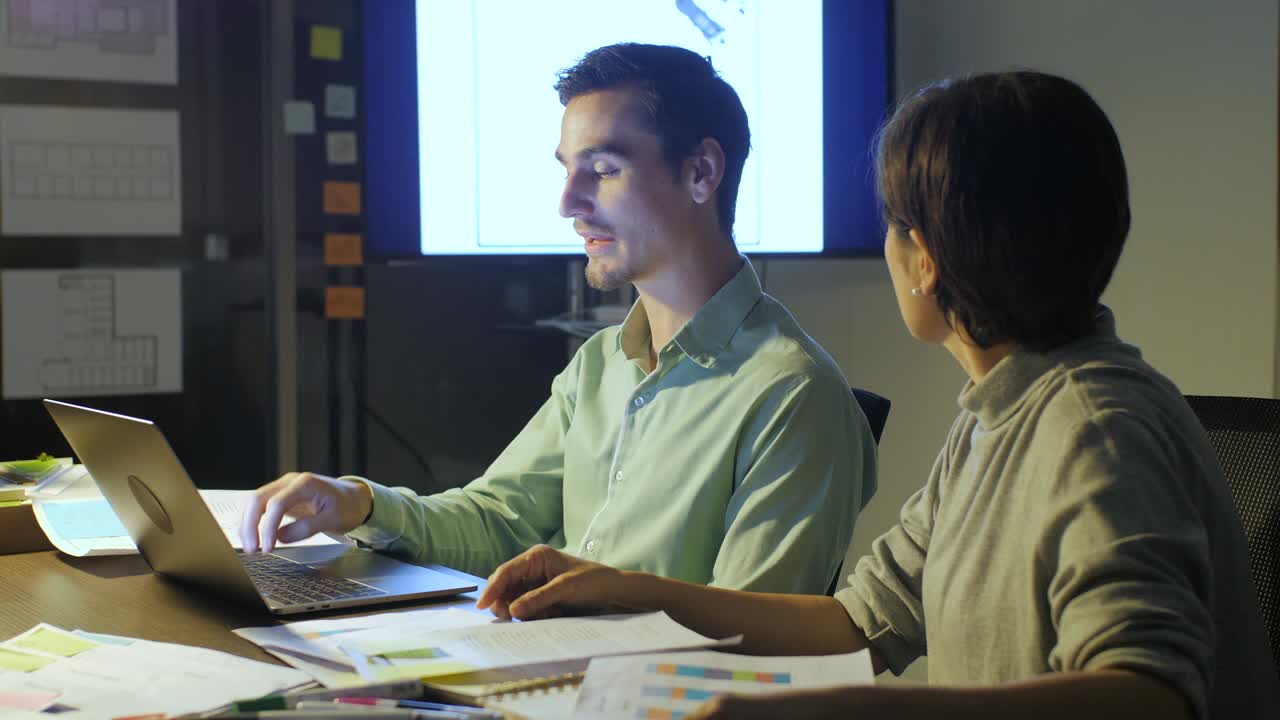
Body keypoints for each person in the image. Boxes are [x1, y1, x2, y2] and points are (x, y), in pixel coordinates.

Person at [476, 71, 1279, 719]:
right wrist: (631, 591)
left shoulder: (1095, 427)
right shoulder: (993, 419)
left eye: (893, 225)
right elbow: (858, 625)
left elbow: (1147, 694)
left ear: (923, 258)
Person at [240, 43, 876, 596]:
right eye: (568, 171)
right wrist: (360, 503)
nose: (569, 203)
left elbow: (756, 643)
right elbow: (499, 522)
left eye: (602, 170)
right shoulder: (601, 364)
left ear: (702, 171)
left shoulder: (794, 394)